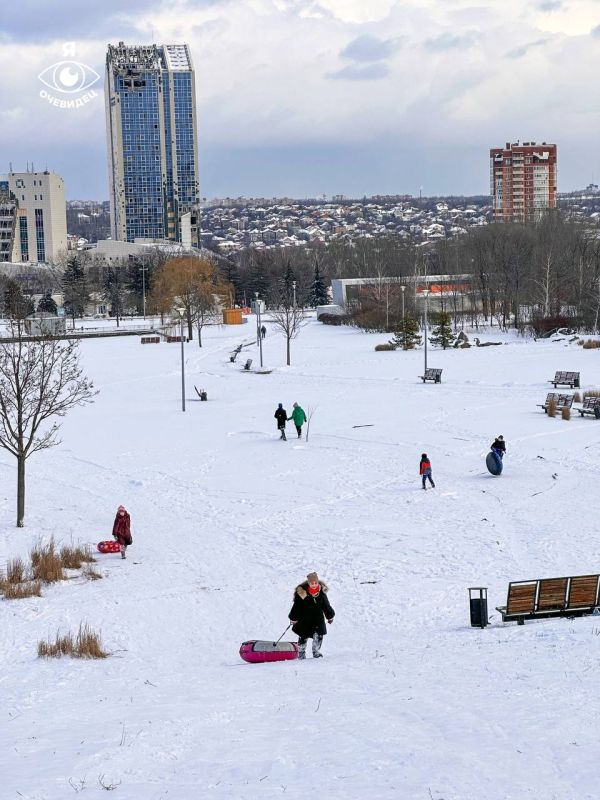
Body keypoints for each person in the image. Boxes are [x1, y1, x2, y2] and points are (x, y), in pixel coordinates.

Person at [288, 571, 335, 659]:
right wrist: (293, 618)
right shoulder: (302, 593)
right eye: (312, 583)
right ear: (308, 583)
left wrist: (330, 616)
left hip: (318, 619)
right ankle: (301, 653)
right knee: (303, 636)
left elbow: (326, 605)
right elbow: (296, 607)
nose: (314, 585)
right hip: (304, 619)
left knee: (319, 635)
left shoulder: (321, 592)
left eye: (315, 583)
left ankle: (316, 652)